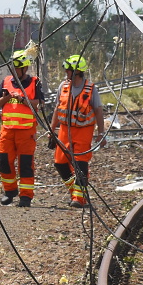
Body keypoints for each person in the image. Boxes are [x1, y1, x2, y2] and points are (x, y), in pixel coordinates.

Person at [0, 50, 48, 208]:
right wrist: (7, 97)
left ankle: (26, 196)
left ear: (24, 68)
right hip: (7, 130)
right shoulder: (6, 82)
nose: (13, 71)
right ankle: (10, 191)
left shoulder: (34, 82)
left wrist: (23, 99)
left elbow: (39, 103)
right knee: (3, 161)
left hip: (26, 132)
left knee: (25, 164)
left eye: (16, 68)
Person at [51, 54, 106, 208]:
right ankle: (75, 191)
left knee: (80, 164)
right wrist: (52, 129)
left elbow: (98, 110)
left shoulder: (91, 89)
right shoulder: (63, 86)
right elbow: (57, 108)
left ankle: (79, 199)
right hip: (64, 130)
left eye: (68, 70)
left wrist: (101, 134)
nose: (65, 73)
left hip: (83, 131)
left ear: (76, 72)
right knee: (60, 163)